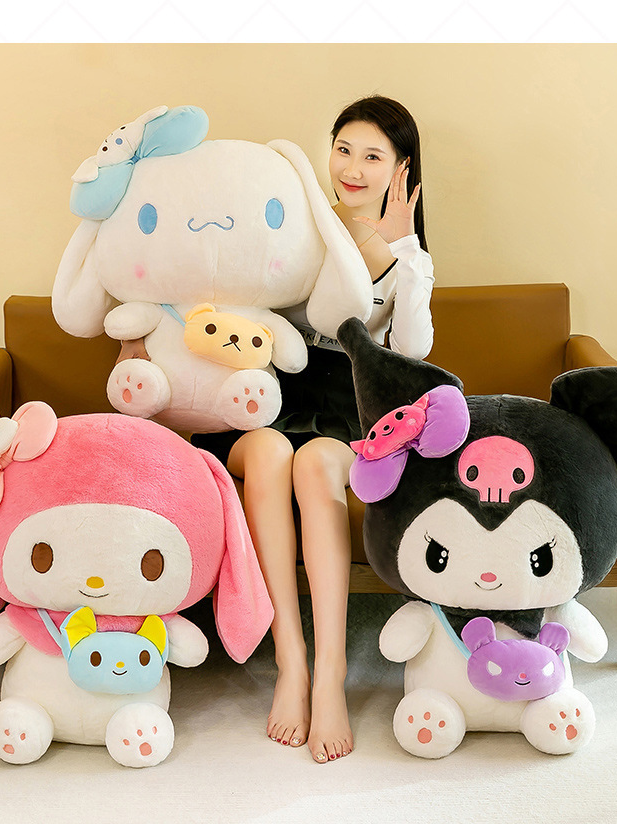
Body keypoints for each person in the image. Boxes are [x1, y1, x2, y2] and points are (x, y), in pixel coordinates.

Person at [193, 95, 435, 764]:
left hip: (346, 413)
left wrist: (400, 252)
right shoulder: (293, 223)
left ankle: (330, 675)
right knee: (273, 454)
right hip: (262, 399)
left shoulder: (407, 258)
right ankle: (291, 661)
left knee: (314, 464)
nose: (352, 169)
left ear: (402, 171)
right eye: (344, 150)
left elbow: (412, 352)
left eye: (373, 157)